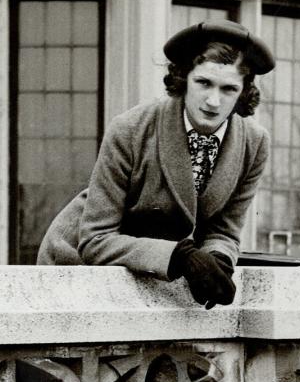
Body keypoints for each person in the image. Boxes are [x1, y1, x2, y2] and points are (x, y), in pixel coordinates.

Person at [36, 20, 274, 308]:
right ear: (184, 78)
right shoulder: (130, 128)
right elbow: (96, 240)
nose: (213, 101)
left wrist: (217, 260)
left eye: (228, 89)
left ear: (243, 93)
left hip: (155, 271)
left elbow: (224, 230)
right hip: (77, 262)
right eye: (203, 83)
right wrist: (181, 257)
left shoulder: (254, 143)